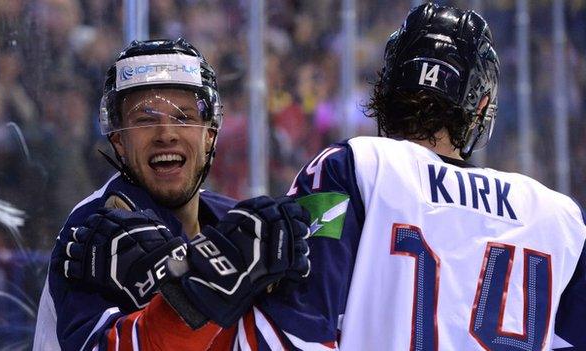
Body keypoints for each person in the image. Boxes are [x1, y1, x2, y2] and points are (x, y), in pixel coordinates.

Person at [234, 3, 586, 350]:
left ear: (388, 85)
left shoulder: (356, 167)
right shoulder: (559, 217)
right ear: (481, 106)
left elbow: (292, 336)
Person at [32, 38, 310, 350]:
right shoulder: (91, 230)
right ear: (118, 140)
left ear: (210, 134)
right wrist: (209, 289)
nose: (166, 134)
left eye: (184, 117)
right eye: (145, 120)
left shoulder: (233, 221)